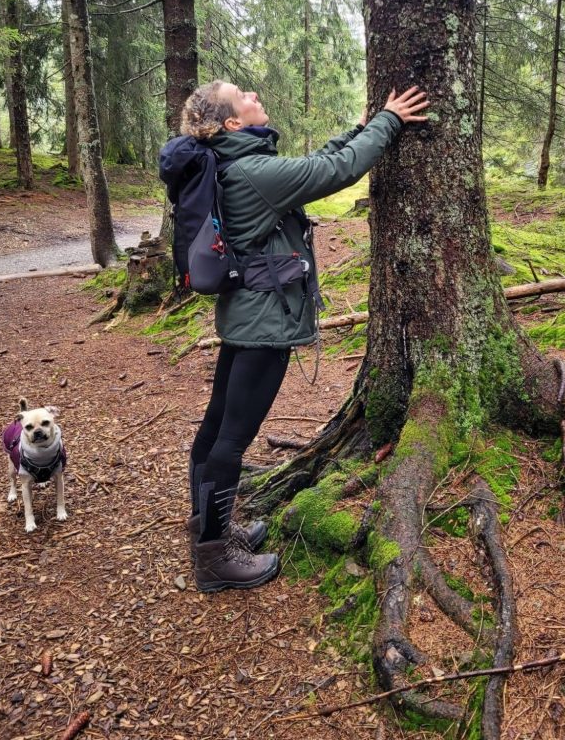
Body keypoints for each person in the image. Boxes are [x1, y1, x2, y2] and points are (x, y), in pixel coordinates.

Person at [161, 80, 429, 593]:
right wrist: (389, 121)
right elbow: (335, 171)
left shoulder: (233, 163)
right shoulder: (253, 170)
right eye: (243, 95)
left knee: (218, 424)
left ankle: (207, 525)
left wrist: (361, 127)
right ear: (232, 122)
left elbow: (313, 162)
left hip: (246, 317)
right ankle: (215, 557)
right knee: (232, 438)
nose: (256, 95)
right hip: (264, 325)